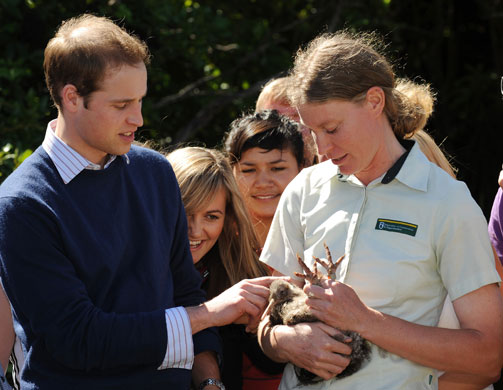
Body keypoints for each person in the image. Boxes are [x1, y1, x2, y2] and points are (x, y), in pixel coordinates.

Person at [0, 14, 277, 390]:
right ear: (71, 98)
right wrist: (208, 314)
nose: (139, 118)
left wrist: (210, 382)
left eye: (141, 100)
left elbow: (184, 291)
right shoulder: (22, 204)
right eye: (121, 104)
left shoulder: (155, 171)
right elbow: (78, 340)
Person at [257, 31, 503, 390]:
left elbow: (488, 356)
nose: (321, 148)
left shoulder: (448, 202)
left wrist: (365, 320)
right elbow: (268, 320)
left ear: (374, 102)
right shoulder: (303, 189)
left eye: (332, 128)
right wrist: (282, 342)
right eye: (312, 132)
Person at [166, 146, 285, 390]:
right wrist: (210, 314)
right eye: (185, 213)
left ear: (228, 217)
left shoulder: (236, 270)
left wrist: (265, 328)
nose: (196, 230)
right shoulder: (130, 268)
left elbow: (268, 364)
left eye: (211, 216)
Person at [224, 109, 305, 248]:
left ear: (302, 169)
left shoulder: (324, 236)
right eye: (248, 170)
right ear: (231, 173)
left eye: (277, 169)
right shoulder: (213, 240)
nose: (263, 183)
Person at [255, 77, 319, 165]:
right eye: (275, 119)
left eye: (296, 118)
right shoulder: (238, 175)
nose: (287, 130)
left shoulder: (337, 173)